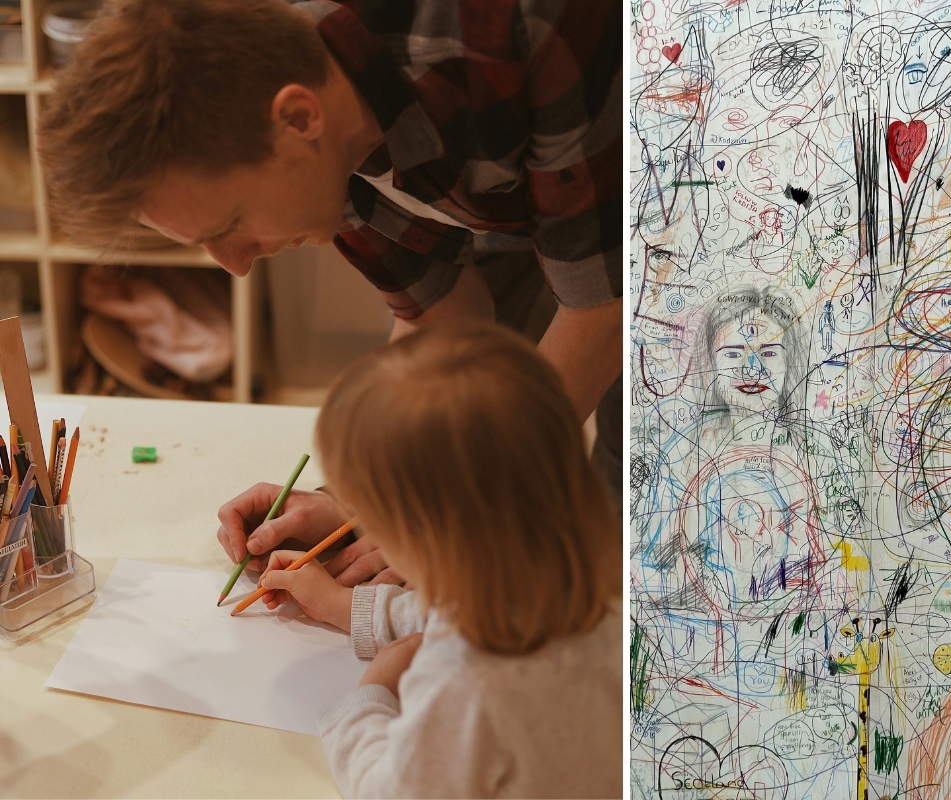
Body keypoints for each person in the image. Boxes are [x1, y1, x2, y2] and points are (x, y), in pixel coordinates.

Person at [36, 0, 623, 585]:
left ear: (297, 118)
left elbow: (610, 304)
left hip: (681, 182)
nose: (235, 267)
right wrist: (360, 501)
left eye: (228, 224)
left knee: (634, 503)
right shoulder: (324, 149)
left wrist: (445, 517)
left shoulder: (516, 30)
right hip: (511, 189)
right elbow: (443, 318)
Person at [255, 322, 621, 797]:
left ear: (421, 540)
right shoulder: (591, 583)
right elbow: (462, 605)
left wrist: (367, 701)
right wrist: (342, 606)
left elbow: (389, 791)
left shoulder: (465, 685)